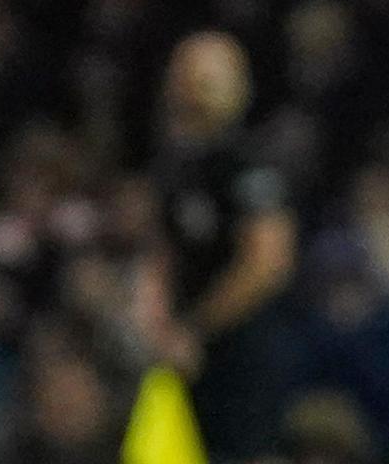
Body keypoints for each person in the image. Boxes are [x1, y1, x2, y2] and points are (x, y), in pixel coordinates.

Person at [146, 31, 302, 462]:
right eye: (186, 76)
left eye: (207, 79)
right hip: (181, 356)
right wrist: (159, 327)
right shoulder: (173, 165)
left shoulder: (250, 164)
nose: (193, 90)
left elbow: (268, 263)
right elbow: (161, 251)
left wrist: (195, 329)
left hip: (242, 355)